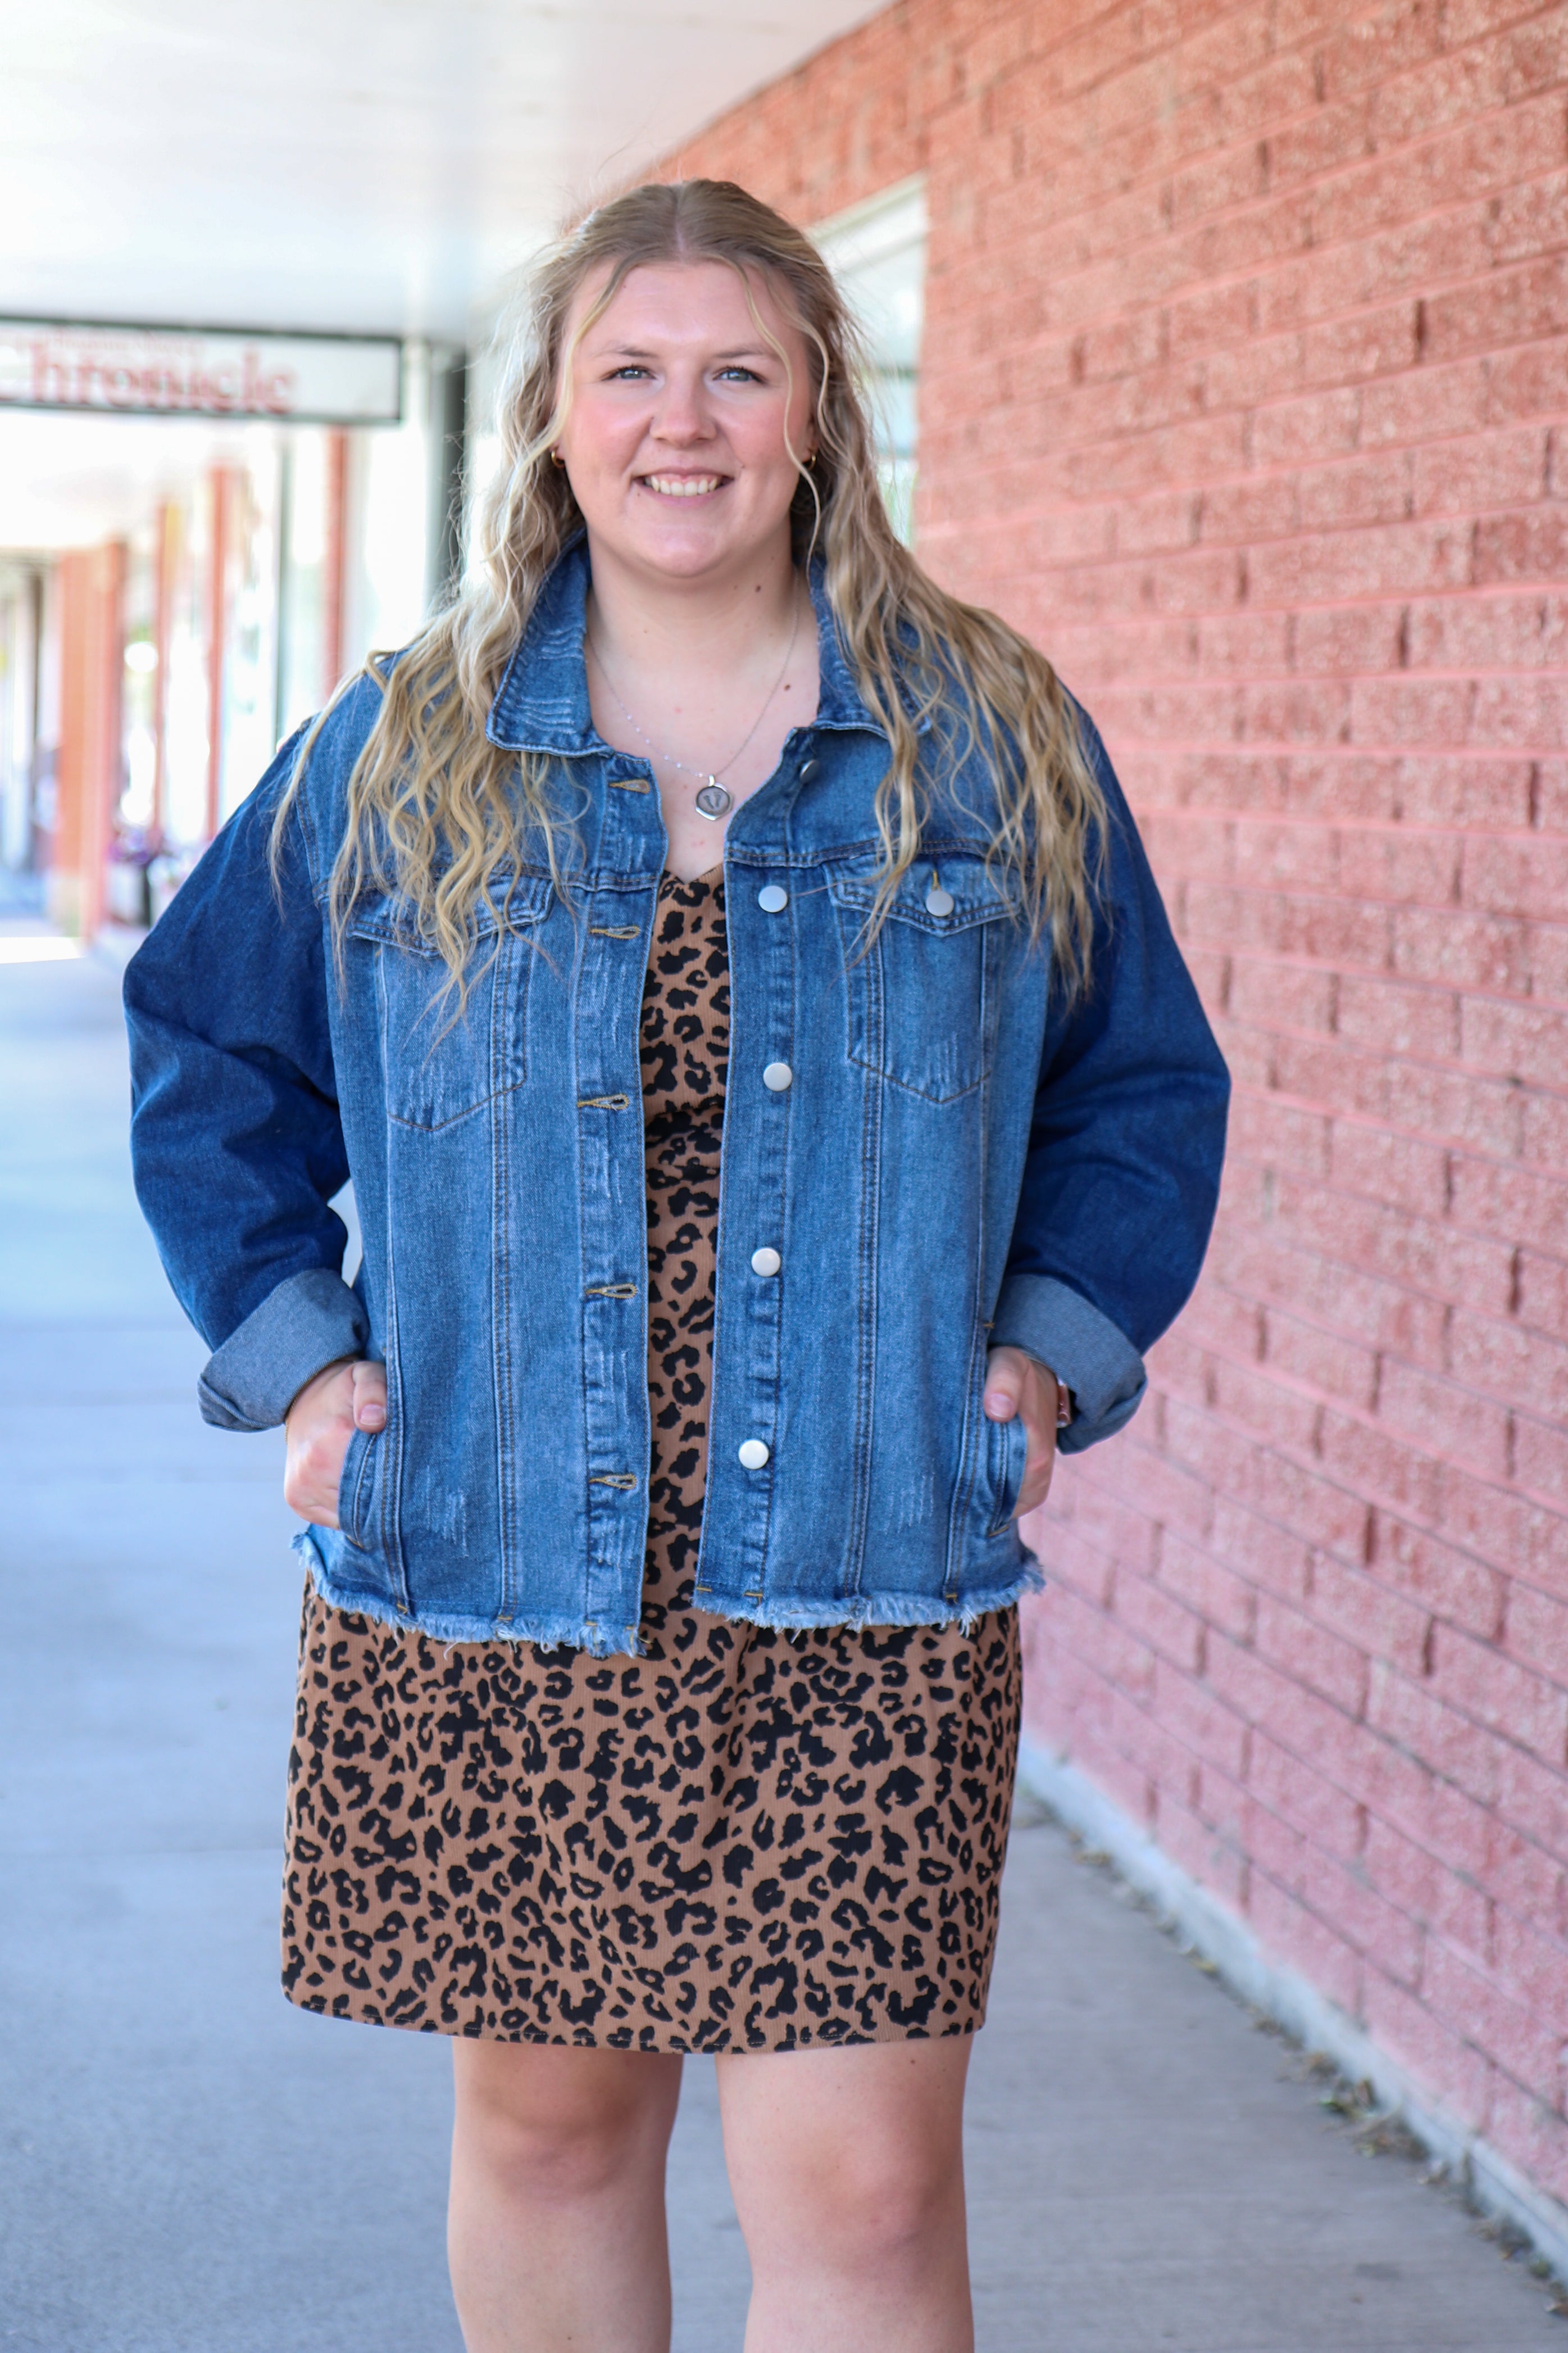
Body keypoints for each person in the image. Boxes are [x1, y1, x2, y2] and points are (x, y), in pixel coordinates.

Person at [125, 178, 1229, 2353]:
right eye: (628, 371)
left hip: (860, 1574)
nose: (682, 421)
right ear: (549, 419)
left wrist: (1047, 1349)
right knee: (549, 2141)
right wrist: (304, 1358)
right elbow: (209, 1051)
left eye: (739, 369)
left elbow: (1139, 1085)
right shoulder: (402, 744)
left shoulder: (983, 740)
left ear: (820, 409)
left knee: (873, 2194)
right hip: (499, 1557)